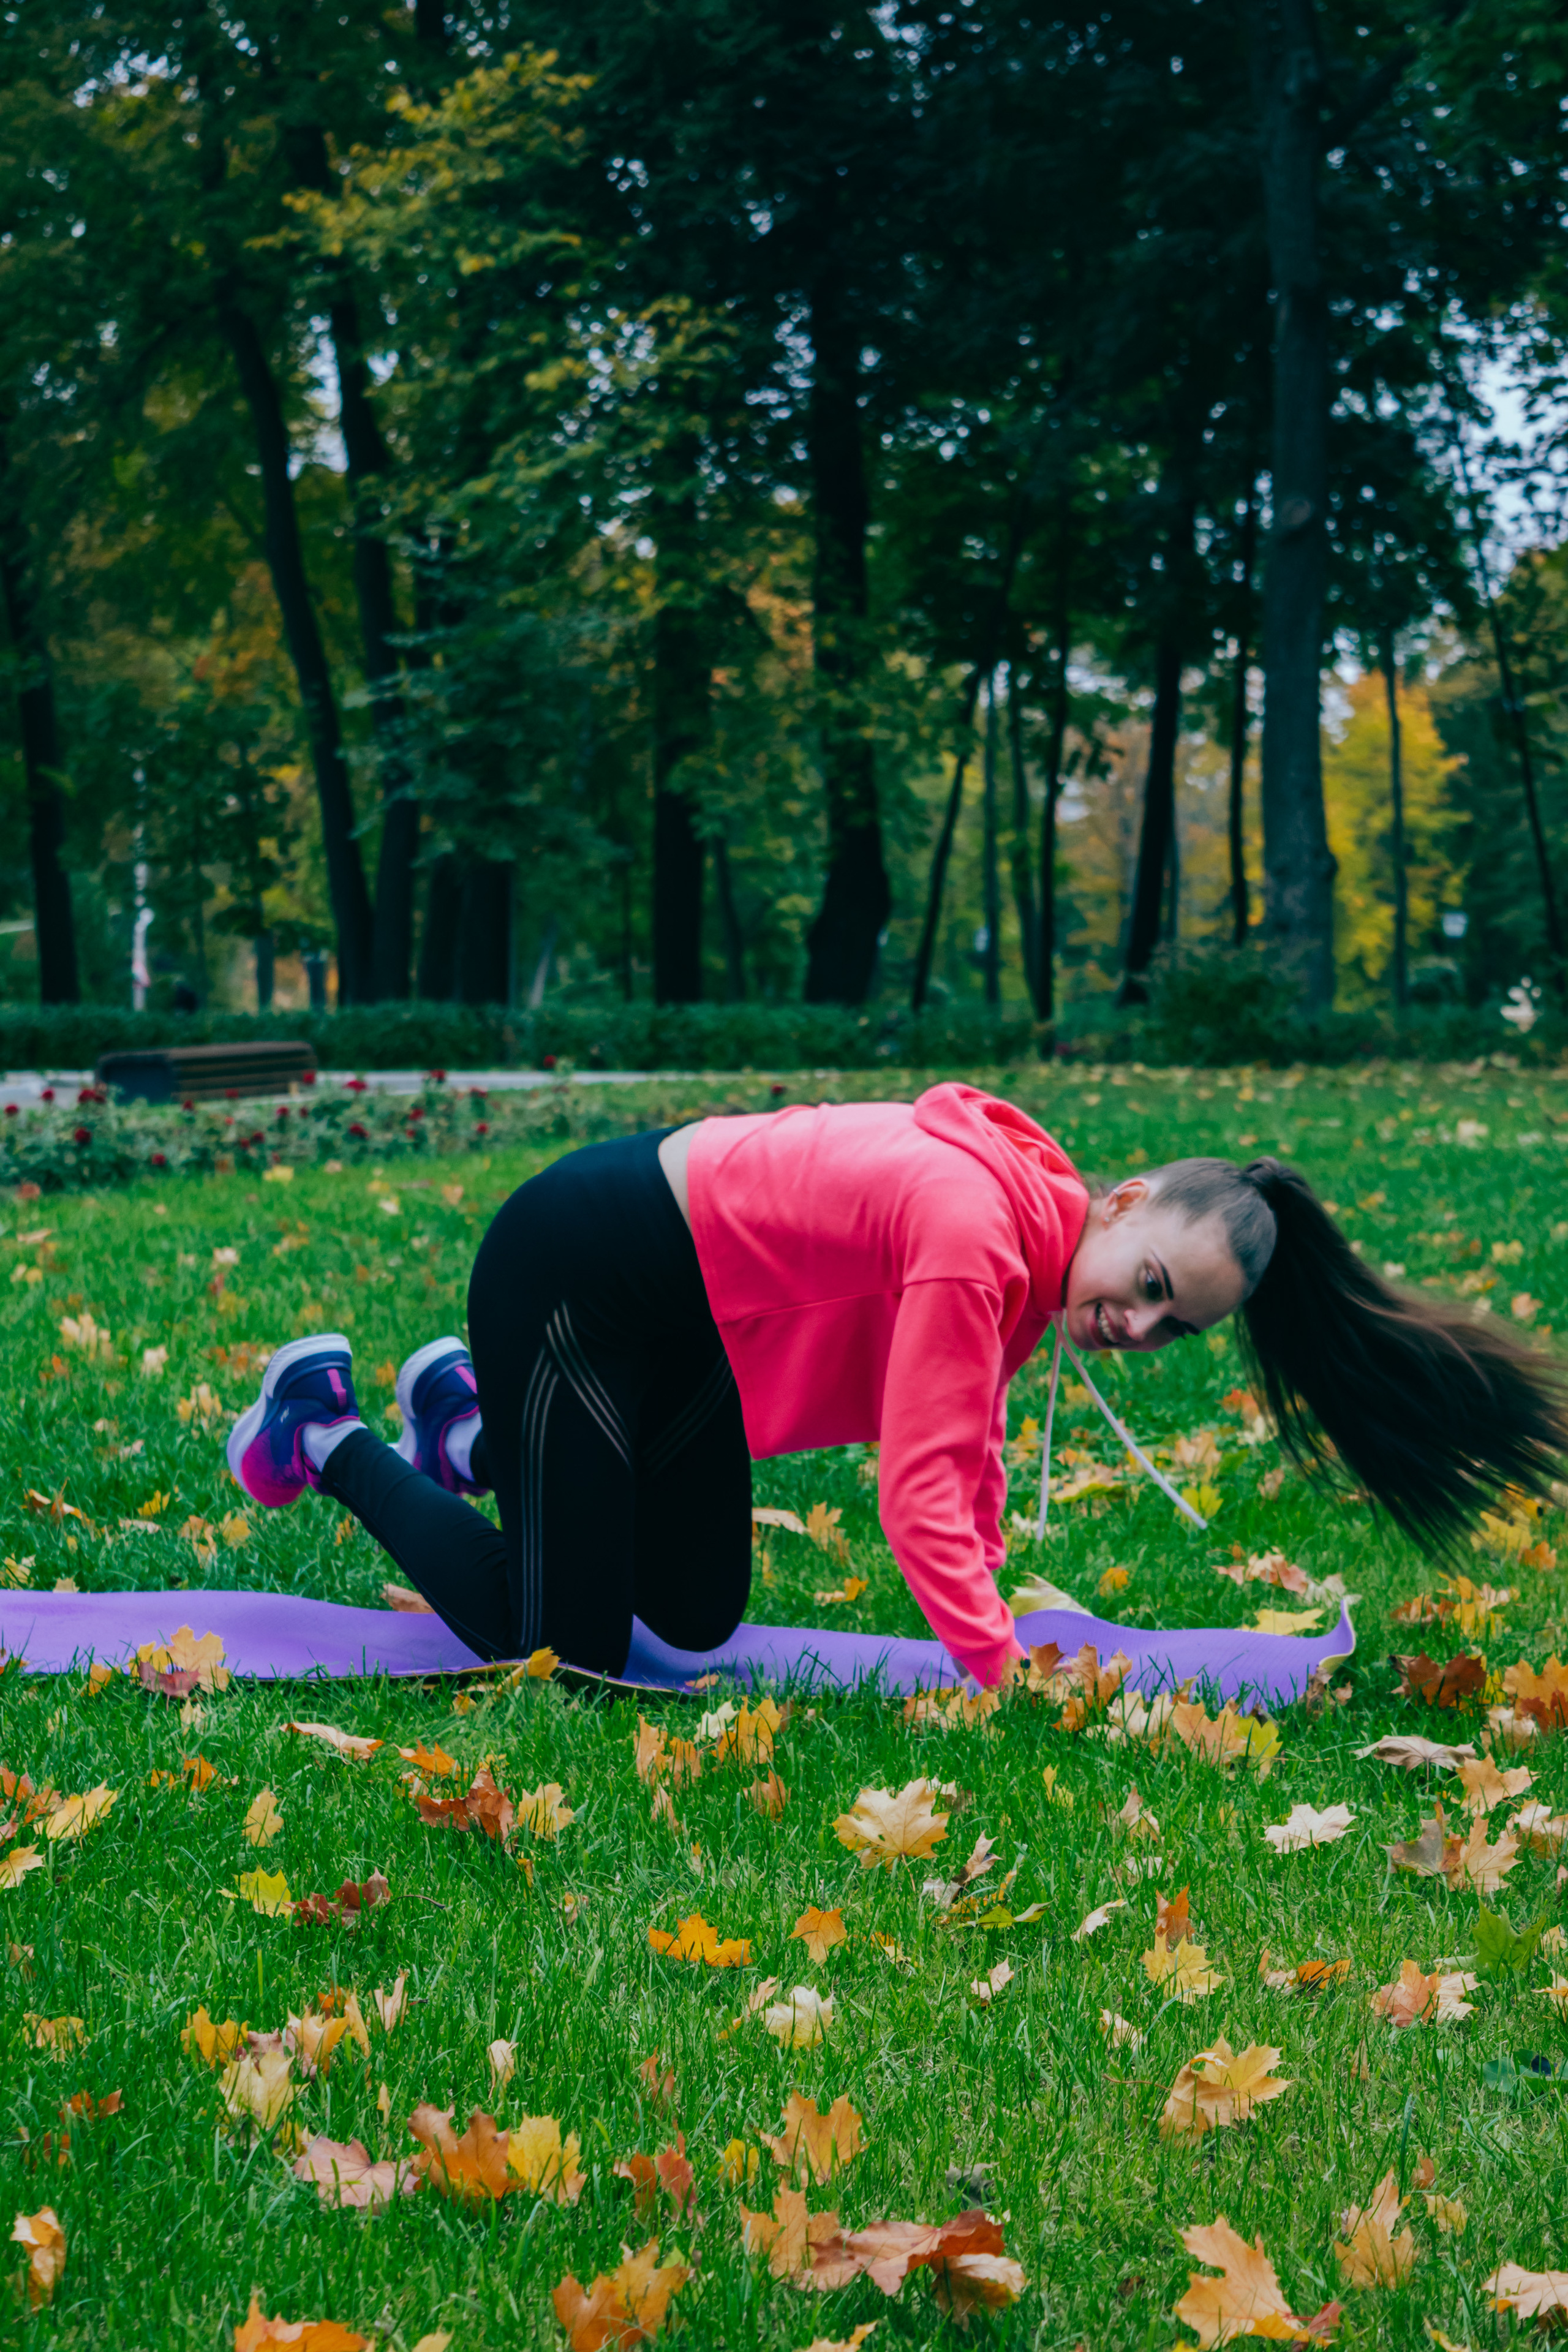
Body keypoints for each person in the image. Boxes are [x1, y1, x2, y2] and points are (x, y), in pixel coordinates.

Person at [225, 1083, 1568, 1686]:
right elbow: (916, 1483)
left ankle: (474, 1425)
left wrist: (990, 1591)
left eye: (1170, 1333)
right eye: (1151, 1285)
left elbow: (966, 1451)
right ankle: (329, 1431)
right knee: (561, 1647)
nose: (1136, 1328)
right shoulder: (975, 1227)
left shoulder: (1031, 1253)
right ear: (1125, 1200)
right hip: (574, 1272)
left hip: (663, 1328)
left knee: (684, 1631)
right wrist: (993, 1667)